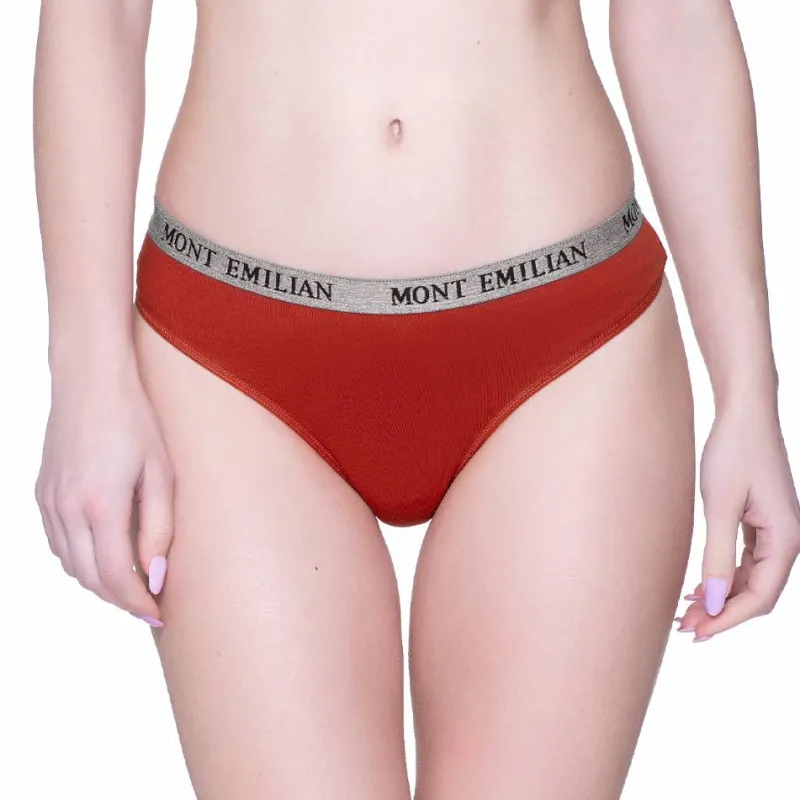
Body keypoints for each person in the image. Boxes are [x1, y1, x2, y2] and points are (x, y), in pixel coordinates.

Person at [31, 1, 800, 798]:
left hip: (569, 344)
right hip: (228, 362)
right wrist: (86, 373)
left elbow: (674, 18)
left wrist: (749, 390)